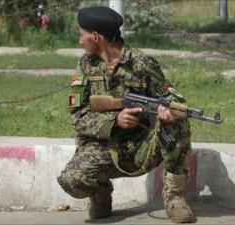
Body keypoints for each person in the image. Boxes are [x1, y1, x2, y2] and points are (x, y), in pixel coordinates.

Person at [57, 6, 196, 223]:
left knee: (178, 120)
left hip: (142, 146)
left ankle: (175, 197)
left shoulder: (141, 63)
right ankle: (101, 194)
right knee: (71, 180)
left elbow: (173, 98)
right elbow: (78, 116)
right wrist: (115, 121)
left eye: (81, 34)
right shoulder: (86, 65)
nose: (79, 40)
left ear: (96, 37)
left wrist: (169, 112)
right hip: (105, 147)